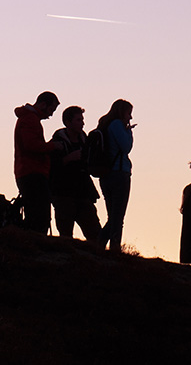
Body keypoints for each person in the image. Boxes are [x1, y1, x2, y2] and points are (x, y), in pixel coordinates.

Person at [49, 106, 100, 241]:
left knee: (95, 234)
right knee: (66, 235)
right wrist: (68, 159)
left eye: (82, 120)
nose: (82, 123)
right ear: (67, 122)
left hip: (83, 193)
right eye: (78, 120)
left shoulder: (85, 141)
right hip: (63, 194)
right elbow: (50, 167)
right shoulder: (56, 143)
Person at [12, 91, 60, 234]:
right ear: (43, 104)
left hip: (28, 171)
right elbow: (31, 145)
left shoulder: (28, 118)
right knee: (39, 214)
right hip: (32, 172)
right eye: (51, 110)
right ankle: (36, 240)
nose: (51, 115)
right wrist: (53, 146)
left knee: (36, 212)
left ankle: (32, 239)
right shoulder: (30, 120)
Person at [97, 99, 135, 251]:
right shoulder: (117, 125)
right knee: (118, 216)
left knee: (113, 215)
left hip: (106, 174)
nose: (130, 117)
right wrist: (129, 132)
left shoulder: (105, 125)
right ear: (122, 112)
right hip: (119, 173)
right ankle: (112, 247)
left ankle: (100, 245)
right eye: (129, 113)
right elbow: (126, 147)